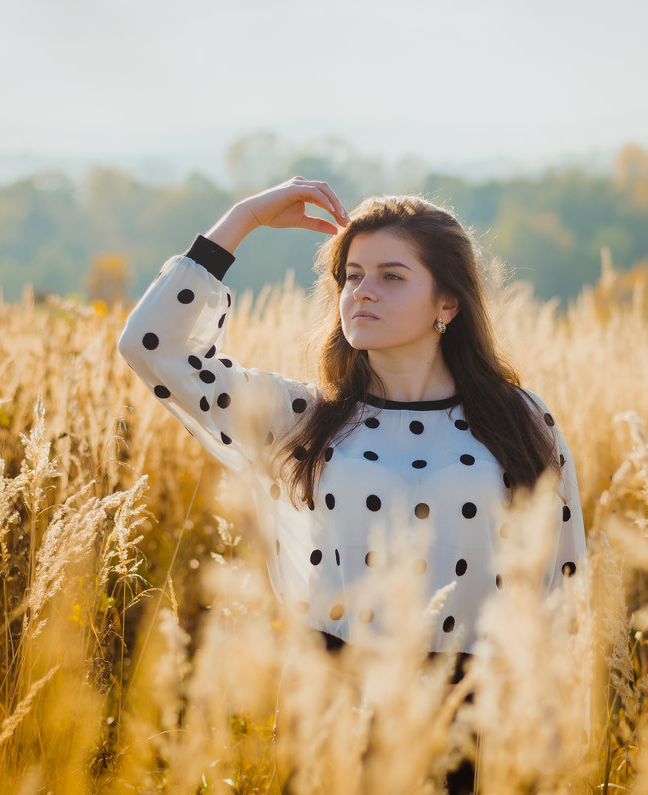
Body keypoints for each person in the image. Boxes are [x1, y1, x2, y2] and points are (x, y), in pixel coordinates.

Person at [117, 177, 587, 793]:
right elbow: (153, 347)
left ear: (447, 304)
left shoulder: (517, 418)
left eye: (392, 276)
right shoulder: (305, 421)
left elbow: (564, 576)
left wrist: (552, 726)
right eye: (352, 276)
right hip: (336, 702)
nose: (363, 293)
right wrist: (244, 218)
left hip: (480, 710)